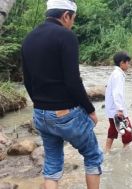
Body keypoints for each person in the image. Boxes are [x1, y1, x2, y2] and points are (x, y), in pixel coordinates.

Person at [21, 1, 103, 188]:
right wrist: (90, 110)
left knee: (52, 164)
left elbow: (27, 81)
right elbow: (73, 81)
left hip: (40, 113)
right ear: (66, 15)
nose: (72, 23)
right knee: (93, 156)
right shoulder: (66, 36)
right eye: (73, 19)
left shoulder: (29, 38)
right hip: (65, 113)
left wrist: (41, 104)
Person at [105, 52, 132, 152]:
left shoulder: (115, 74)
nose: (129, 65)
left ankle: (107, 150)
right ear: (122, 63)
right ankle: (126, 155)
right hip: (117, 110)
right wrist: (120, 110)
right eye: (128, 63)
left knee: (113, 129)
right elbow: (117, 93)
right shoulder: (118, 75)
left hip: (112, 109)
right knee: (127, 131)